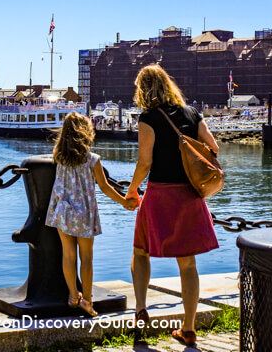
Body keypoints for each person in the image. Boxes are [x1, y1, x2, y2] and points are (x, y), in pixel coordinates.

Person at [124, 64, 220, 347]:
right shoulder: (192, 113)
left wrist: (131, 189)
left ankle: (141, 310)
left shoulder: (148, 118)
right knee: (188, 264)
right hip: (190, 195)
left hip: (161, 194)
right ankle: (188, 329)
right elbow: (214, 147)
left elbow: (145, 162)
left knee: (141, 251)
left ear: (143, 89)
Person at [45, 112, 137, 317]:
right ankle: (87, 300)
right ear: (85, 132)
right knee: (86, 258)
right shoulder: (92, 160)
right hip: (84, 214)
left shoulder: (58, 156)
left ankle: (72, 296)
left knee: (68, 255)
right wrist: (124, 202)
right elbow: (104, 187)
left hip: (63, 211)